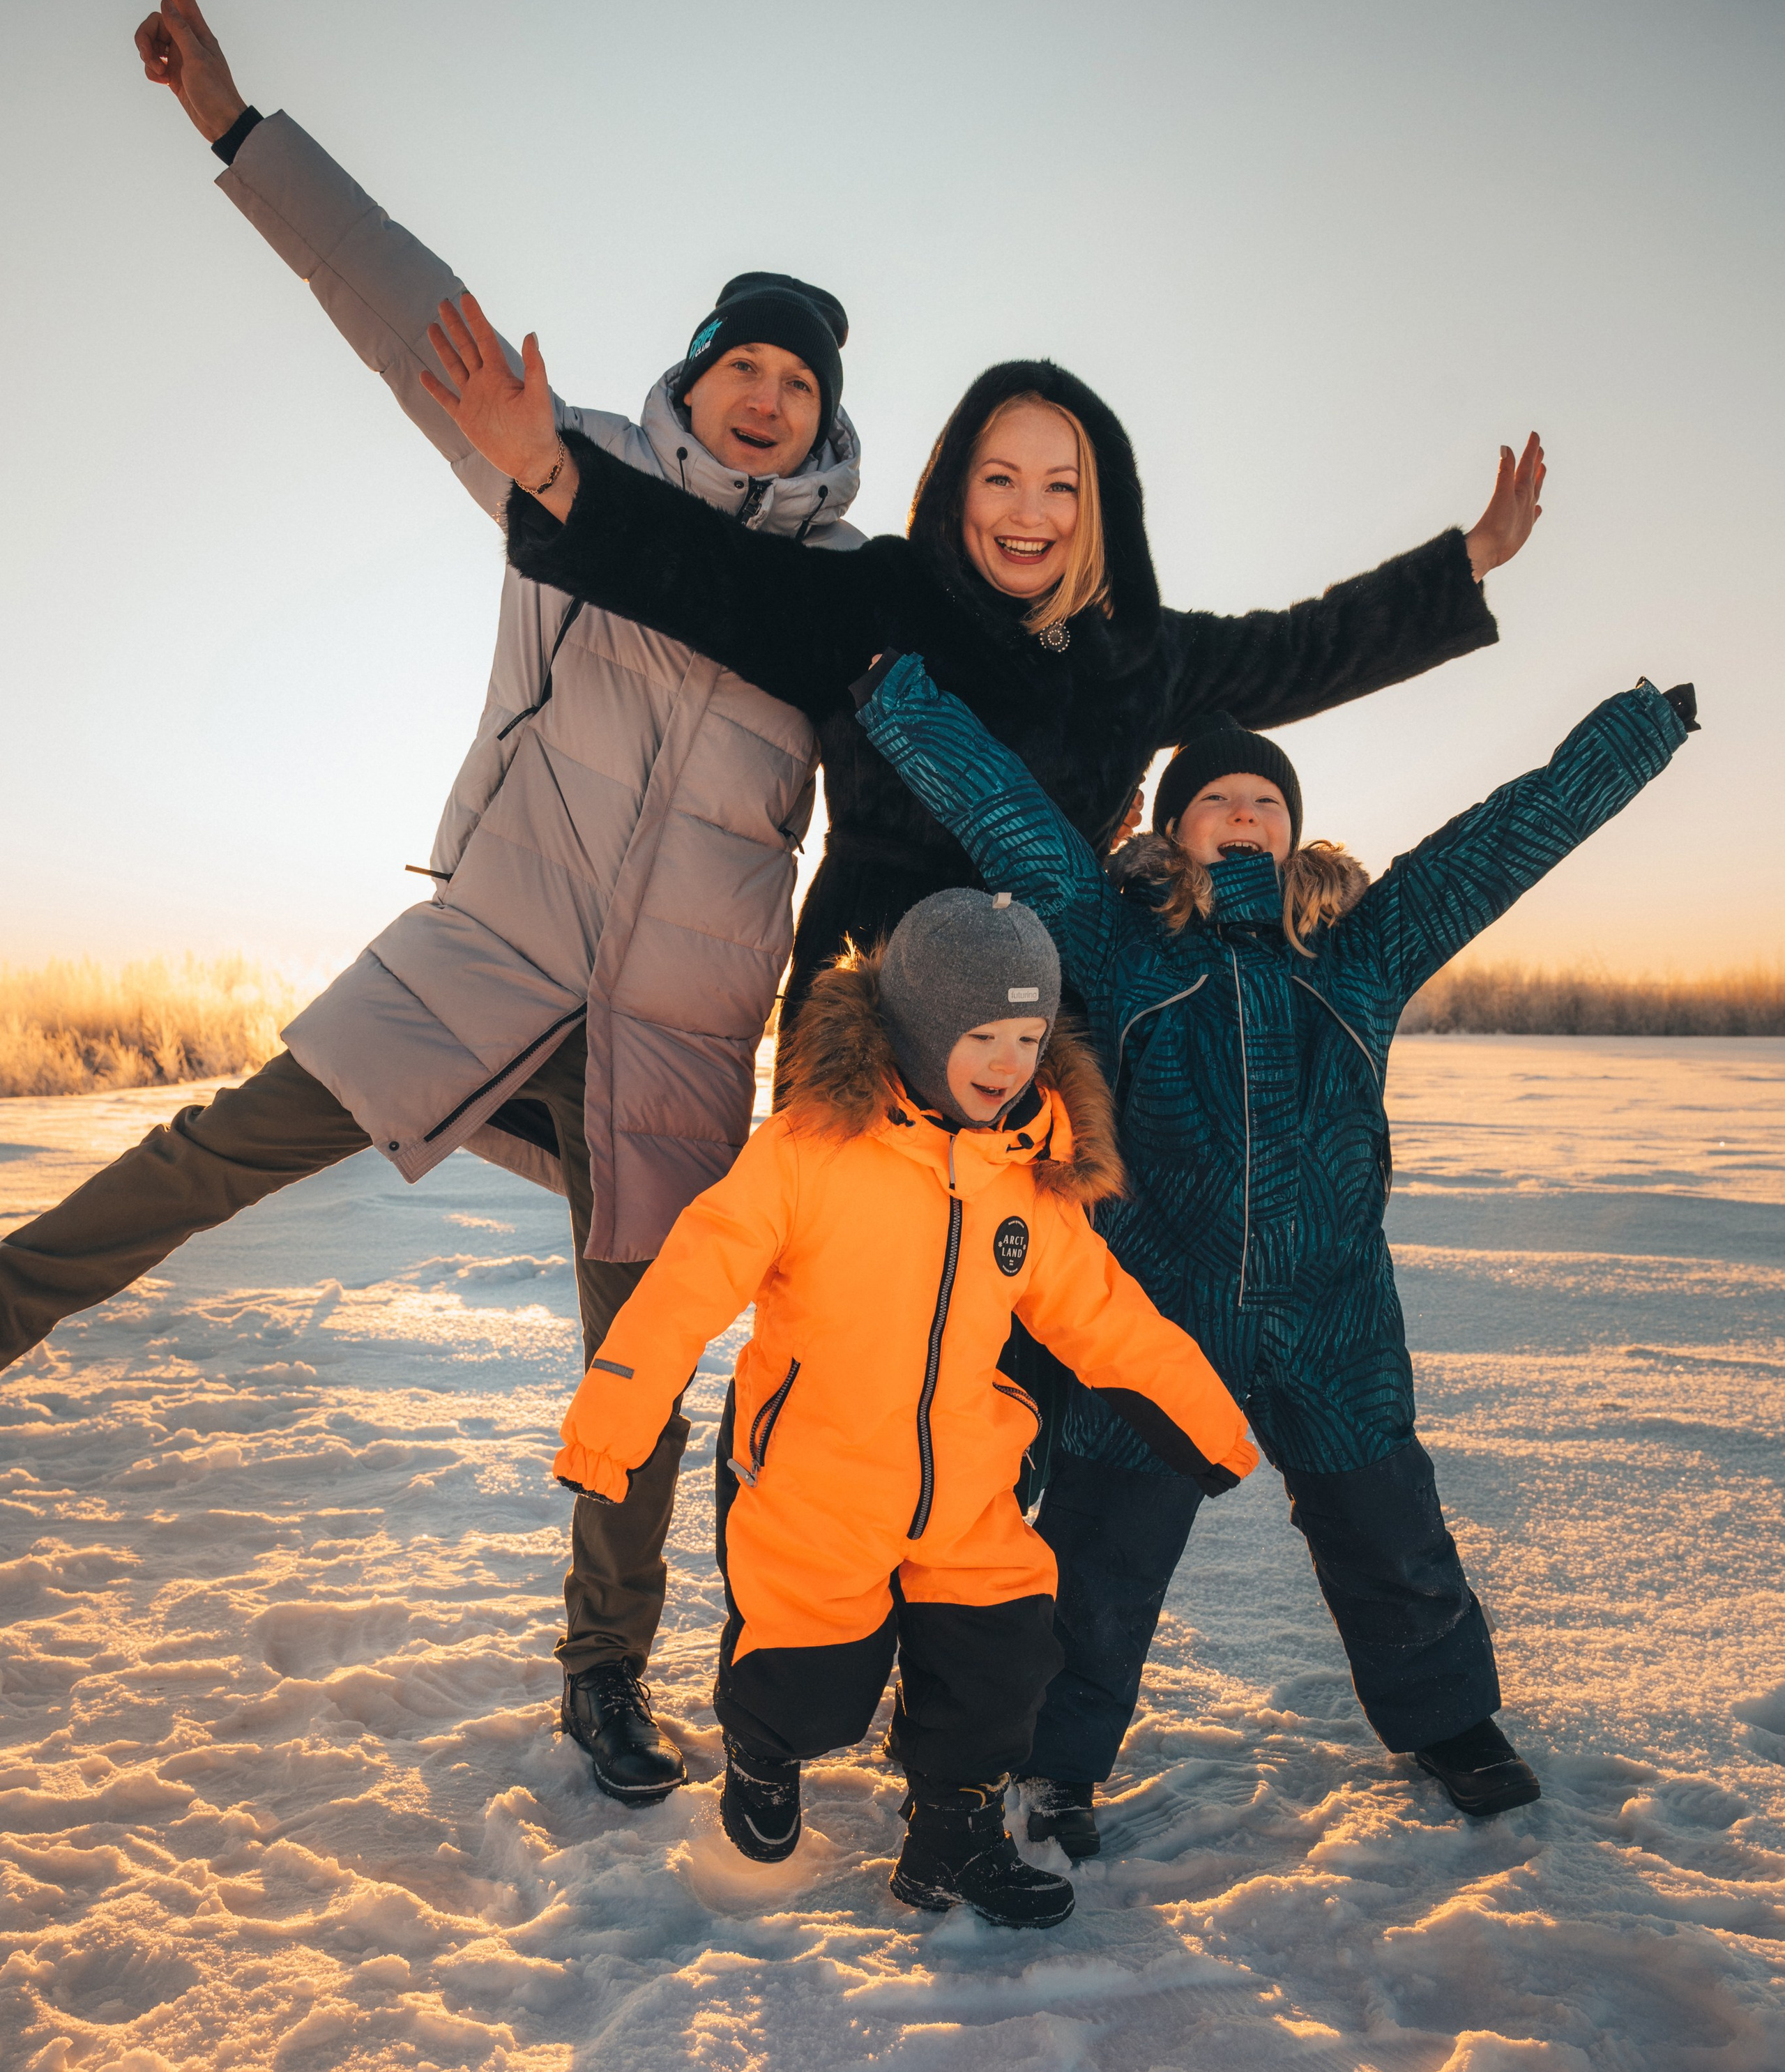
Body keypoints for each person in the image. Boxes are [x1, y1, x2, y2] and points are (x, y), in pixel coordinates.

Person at [0, 0, 867, 1808]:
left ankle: (604, 1680)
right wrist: (235, 127)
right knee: (226, 1142)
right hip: (495, 947)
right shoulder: (571, 467)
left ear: (828, 415)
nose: (767, 395)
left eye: (799, 379)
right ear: (696, 377)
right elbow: (397, 297)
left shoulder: (843, 600)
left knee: (634, 1387)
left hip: (681, 1036)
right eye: (745, 362)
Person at [853, 655, 1700, 1854]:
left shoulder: (1362, 952)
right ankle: (1051, 1760)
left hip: (1336, 1314)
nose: (1244, 815)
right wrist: (904, 706)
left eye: (1266, 801)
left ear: (1297, 831)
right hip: (1157, 1313)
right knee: (1101, 1556)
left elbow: (1497, 847)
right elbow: (1013, 821)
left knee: (1389, 1531)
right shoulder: (1123, 945)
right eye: (1216, 801)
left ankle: (1449, 1721)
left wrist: (1632, 738)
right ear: (1173, 832)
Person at [421, 299, 1543, 1049]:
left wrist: (1467, 565)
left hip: (1044, 1018)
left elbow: (1308, 645)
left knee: (1014, 1350)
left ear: (1098, 506)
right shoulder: (885, 598)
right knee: (850, 1316)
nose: (1029, 512)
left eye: (1062, 486)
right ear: (958, 486)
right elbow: (708, 577)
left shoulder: (1137, 653)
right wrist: (551, 470)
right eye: (1001, 478)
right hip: (869, 1001)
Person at [549, 888, 1258, 1928]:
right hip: (817, 1475)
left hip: (967, 1480)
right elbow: (686, 1286)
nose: (1011, 1061)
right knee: (810, 1668)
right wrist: (611, 1423)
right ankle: (765, 1754)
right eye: (984, 1034)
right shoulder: (805, 1151)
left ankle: (951, 1840)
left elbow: (1109, 1317)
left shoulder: (1028, 1179)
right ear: (924, 1032)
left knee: (1003, 1652)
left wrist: (1208, 1422)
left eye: (1029, 1035)